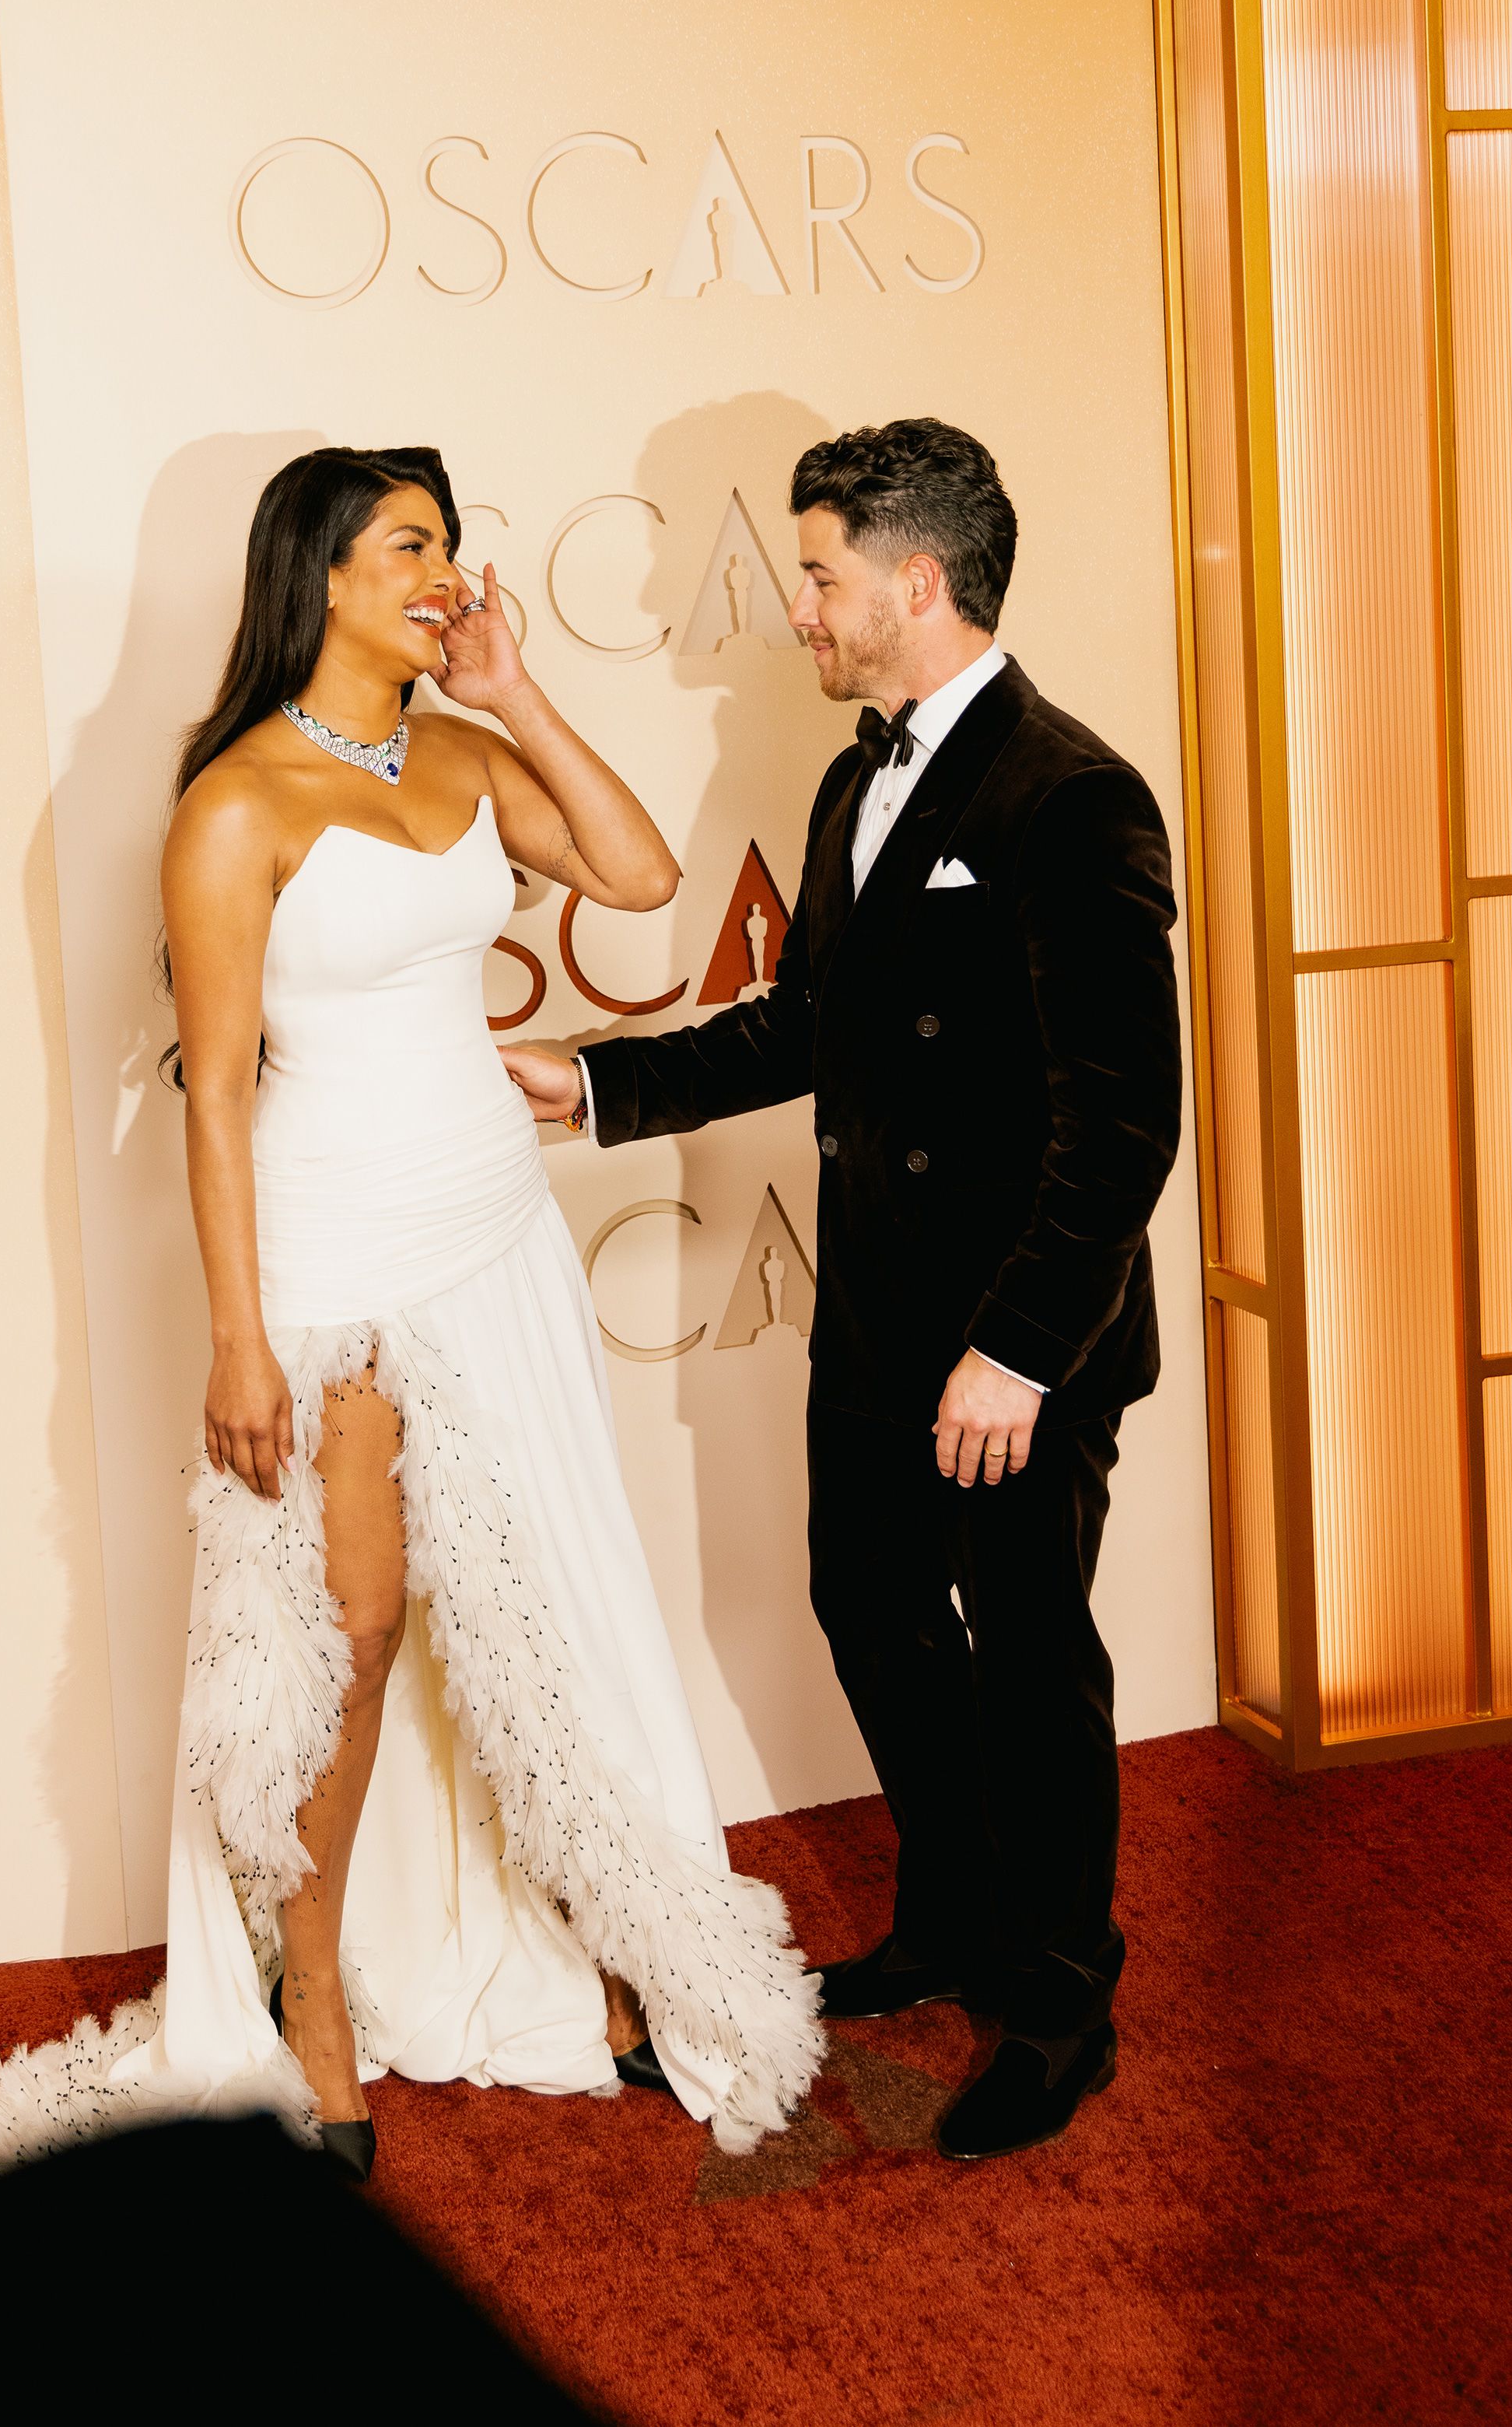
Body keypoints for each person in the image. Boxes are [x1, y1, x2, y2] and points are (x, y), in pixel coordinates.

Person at [0, 447, 820, 2184]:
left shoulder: (465, 750)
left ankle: (590, 1943)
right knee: (343, 1630)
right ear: (319, 573)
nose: (443, 571)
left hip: (492, 1219)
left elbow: (640, 878)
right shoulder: (235, 804)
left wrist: (516, 688)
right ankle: (312, 2004)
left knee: (540, 1589)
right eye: (409, 544)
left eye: (450, 545)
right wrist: (240, 1337)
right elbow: (210, 1096)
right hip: (334, 1247)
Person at [504, 419, 1182, 2161]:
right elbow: (811, 1025)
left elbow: (1123, 1120)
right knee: (868, 1609)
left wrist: (1020, 1353)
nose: (794, 606)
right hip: (877, 1314)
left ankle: (1055, 2000)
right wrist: (594, 1087)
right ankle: (951, 1914)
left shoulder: (1069, 789)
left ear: (913, 578)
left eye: (814, 573)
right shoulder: (851, 775)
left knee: (1030, 1658)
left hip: (1015, 1342)